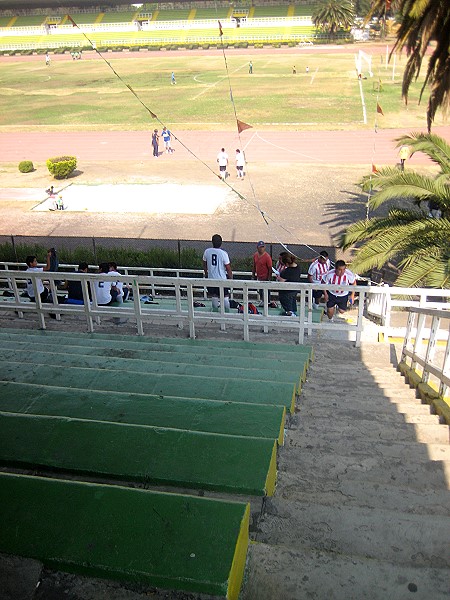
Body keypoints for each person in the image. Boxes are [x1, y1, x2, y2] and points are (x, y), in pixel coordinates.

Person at [202, 234, 233, 311]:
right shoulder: (223, 253)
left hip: (211, 278)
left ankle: (215, 312)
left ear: (212, 242)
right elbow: (228, 268)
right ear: (221, 242)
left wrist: (206, 273)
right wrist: (231, 278)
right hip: (222, 279)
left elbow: (204, 263)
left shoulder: (207, 251)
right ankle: (227, 312)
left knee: (214, 296)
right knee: (225, 296)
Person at [252, 241, 272, 306]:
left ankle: (267, 302)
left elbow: (270, 268)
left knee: (266, 290)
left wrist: (269, 278)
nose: (261, 249)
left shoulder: (267, 257)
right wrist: (253, 275)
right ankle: (263, 300)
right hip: (259, 276)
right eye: (260, 247)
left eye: (263, 247)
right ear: (257, 247)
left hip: (265, 277)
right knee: (261, 290)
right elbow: (254, 265)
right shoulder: (255, 255)